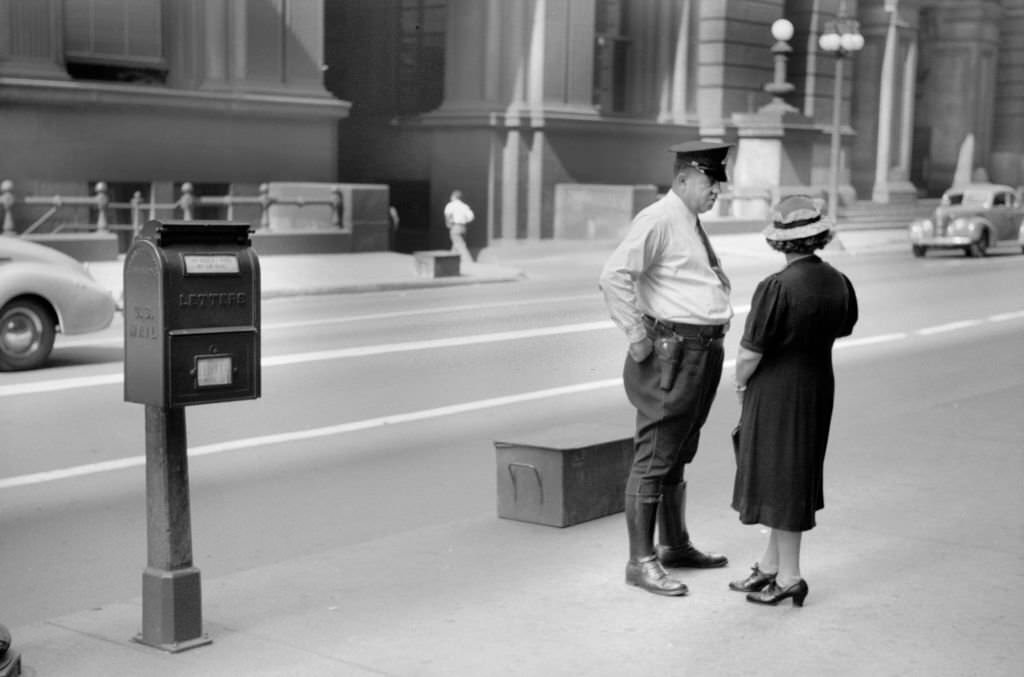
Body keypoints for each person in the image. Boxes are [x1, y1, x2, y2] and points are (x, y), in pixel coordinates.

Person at [599, 140, 734, 597]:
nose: (716, 190)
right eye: (709, 181)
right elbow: (614, 275)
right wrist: (637, 337)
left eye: (718, 183)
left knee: (678, 449)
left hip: (700, 353)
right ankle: (641, 561)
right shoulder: (659, 218)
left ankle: (674, 544)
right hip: (672, 354)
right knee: (655, 454)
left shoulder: (687, 219)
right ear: (682, 179)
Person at [729, 195, 859, 607]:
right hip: (817, 383)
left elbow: (751, 352)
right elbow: (844, 326)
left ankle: (790, 576)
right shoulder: (839, 281)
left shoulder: (776, 287)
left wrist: (739, 383)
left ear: (781, 243)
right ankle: (770, 565)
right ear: (817, 237)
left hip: (776, 389)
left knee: (779, 477)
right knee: (788, 474)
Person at [443, 190, 474, 264]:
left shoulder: (451, 205)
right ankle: (451, 261)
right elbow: (471, 217)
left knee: (460, 245)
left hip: (455, 226)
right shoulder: (464, 206)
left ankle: (469, 262)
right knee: (456, 245)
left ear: (454, 197)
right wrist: (464, 221)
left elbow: (448, 215)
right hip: (463, 227)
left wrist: (448, 224)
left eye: (451, 196)